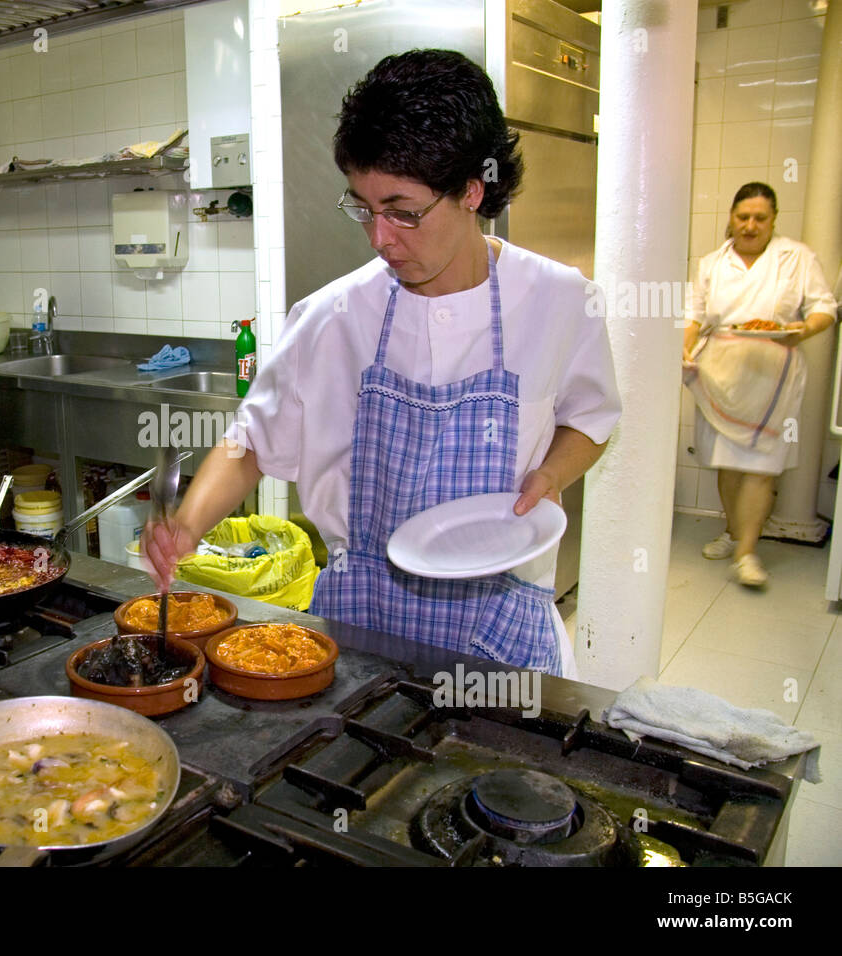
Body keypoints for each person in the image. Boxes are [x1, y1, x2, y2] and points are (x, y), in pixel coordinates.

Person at [143, 50, 620, 677]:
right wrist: (186, 524)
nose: (379, 237)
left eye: (403, 211)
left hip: (501, 628)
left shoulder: (560, 300)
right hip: (360, 625)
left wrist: (553, 473)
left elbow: (591, 416)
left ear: (472, 190)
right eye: (363, 208)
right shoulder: (331, 317)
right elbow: (252, 442)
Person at [682, 182, 837, 587]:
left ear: (773, 222)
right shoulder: (712, 263)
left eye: (760, 218)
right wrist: (683, 350)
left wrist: (799, 332)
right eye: (743, 217)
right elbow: (694, 314)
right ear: (731, 218)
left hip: (773, 374)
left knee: (762, 466)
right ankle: (732, 534)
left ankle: (748, 553)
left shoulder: (796, 258)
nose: (750, 225)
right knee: (726, 461)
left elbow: (825, 308)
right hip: (720, 373)